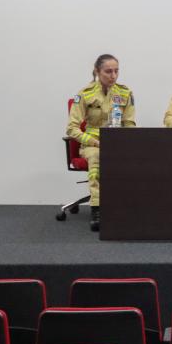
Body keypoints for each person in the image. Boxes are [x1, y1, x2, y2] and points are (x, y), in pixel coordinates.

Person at [66, 54, 136, 231]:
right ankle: (97, 210)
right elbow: (71, 129)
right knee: (98, 157)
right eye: (108, 71)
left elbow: (129, 124)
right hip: (92, 144)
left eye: (116, 71)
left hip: (117, 143)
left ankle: (133, 207)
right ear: (97, 71)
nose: (113, 75)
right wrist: (94, 142)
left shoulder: (125, 93)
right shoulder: (84, 94)